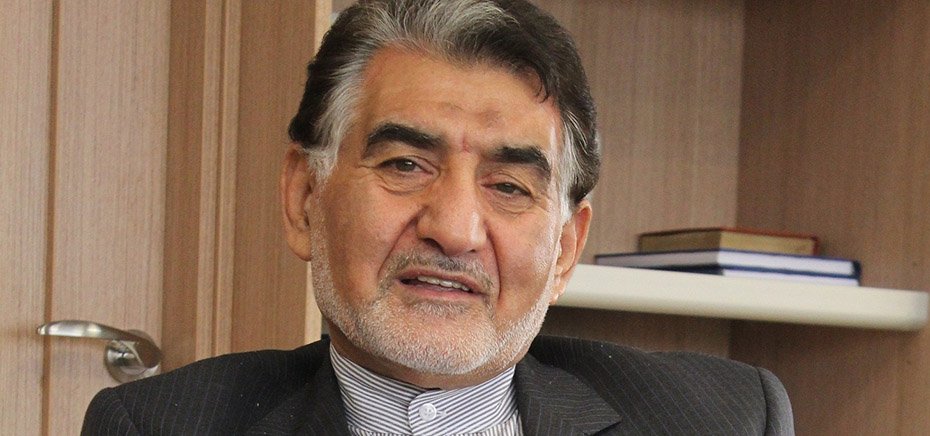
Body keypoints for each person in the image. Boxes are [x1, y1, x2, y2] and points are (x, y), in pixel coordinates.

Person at [82, 0, 794, 435]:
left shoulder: (723, 421)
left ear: (566, 250)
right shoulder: (158, 427)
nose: (454, 229)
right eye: (404, 165)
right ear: (304, 198)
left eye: (508, 186)